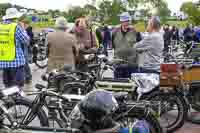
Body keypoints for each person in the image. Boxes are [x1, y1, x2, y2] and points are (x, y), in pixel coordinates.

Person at [0, 8, 30, 88]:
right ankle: (17, 100)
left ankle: (10, 100)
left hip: (3, 62)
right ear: (15, 17)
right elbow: (26, 41)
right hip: (16, 62)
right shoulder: (15, 26)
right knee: (17, 87)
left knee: (8, 87)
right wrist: (23, 29)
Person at [112, 12, 138, 78]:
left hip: (131, 64)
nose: (127, 23)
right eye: (125, 21)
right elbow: (113, 45)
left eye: (128, 21)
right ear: (121, 21)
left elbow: (139, 44)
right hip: (118, 63)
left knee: (131, 85)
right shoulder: (115, 31)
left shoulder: (135, 31)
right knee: (118, 84)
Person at [18, 15, 32, 84]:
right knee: (23, 63)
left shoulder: (27, 28)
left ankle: (28, 76)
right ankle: (26, 76)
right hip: (20, 46)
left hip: (24, 46)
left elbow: (28, 39)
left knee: (25, 62)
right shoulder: (17, 25)